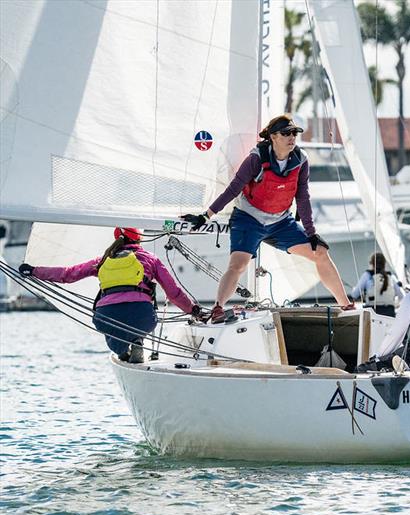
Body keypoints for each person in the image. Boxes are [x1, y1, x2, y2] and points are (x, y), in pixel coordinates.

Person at [181, 114, 354, 323]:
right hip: (249, 218)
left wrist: (312, 234)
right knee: (238, 265)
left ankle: (346, 305)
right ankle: (218, 308)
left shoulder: (301, 160)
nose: (292, 137)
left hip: (281, 222)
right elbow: (234, 188)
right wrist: (206, 215)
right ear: (273, 137)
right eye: (286, 134)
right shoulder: (256, 158)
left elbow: (303, 197)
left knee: (320, 253)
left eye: (294, 134)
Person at [18, 228, 199, 364]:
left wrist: (34, 271)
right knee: (138, 320)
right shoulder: (150, 258)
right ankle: (137, 340)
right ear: (139, 239)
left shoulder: (103, 259)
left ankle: (121, 351)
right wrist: (193, 310)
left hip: (107, 315)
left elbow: (68, 274)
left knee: (110, 330)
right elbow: (173, 292)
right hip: (142, 316)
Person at [350, 252, 404, 317]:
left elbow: (354, 294)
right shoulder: (391, 276)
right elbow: (402, 296)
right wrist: (395, 303)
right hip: (389, 313)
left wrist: (354, 289)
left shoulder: (367, 275)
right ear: (384, 264)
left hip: (372, 314)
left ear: (372, 263)